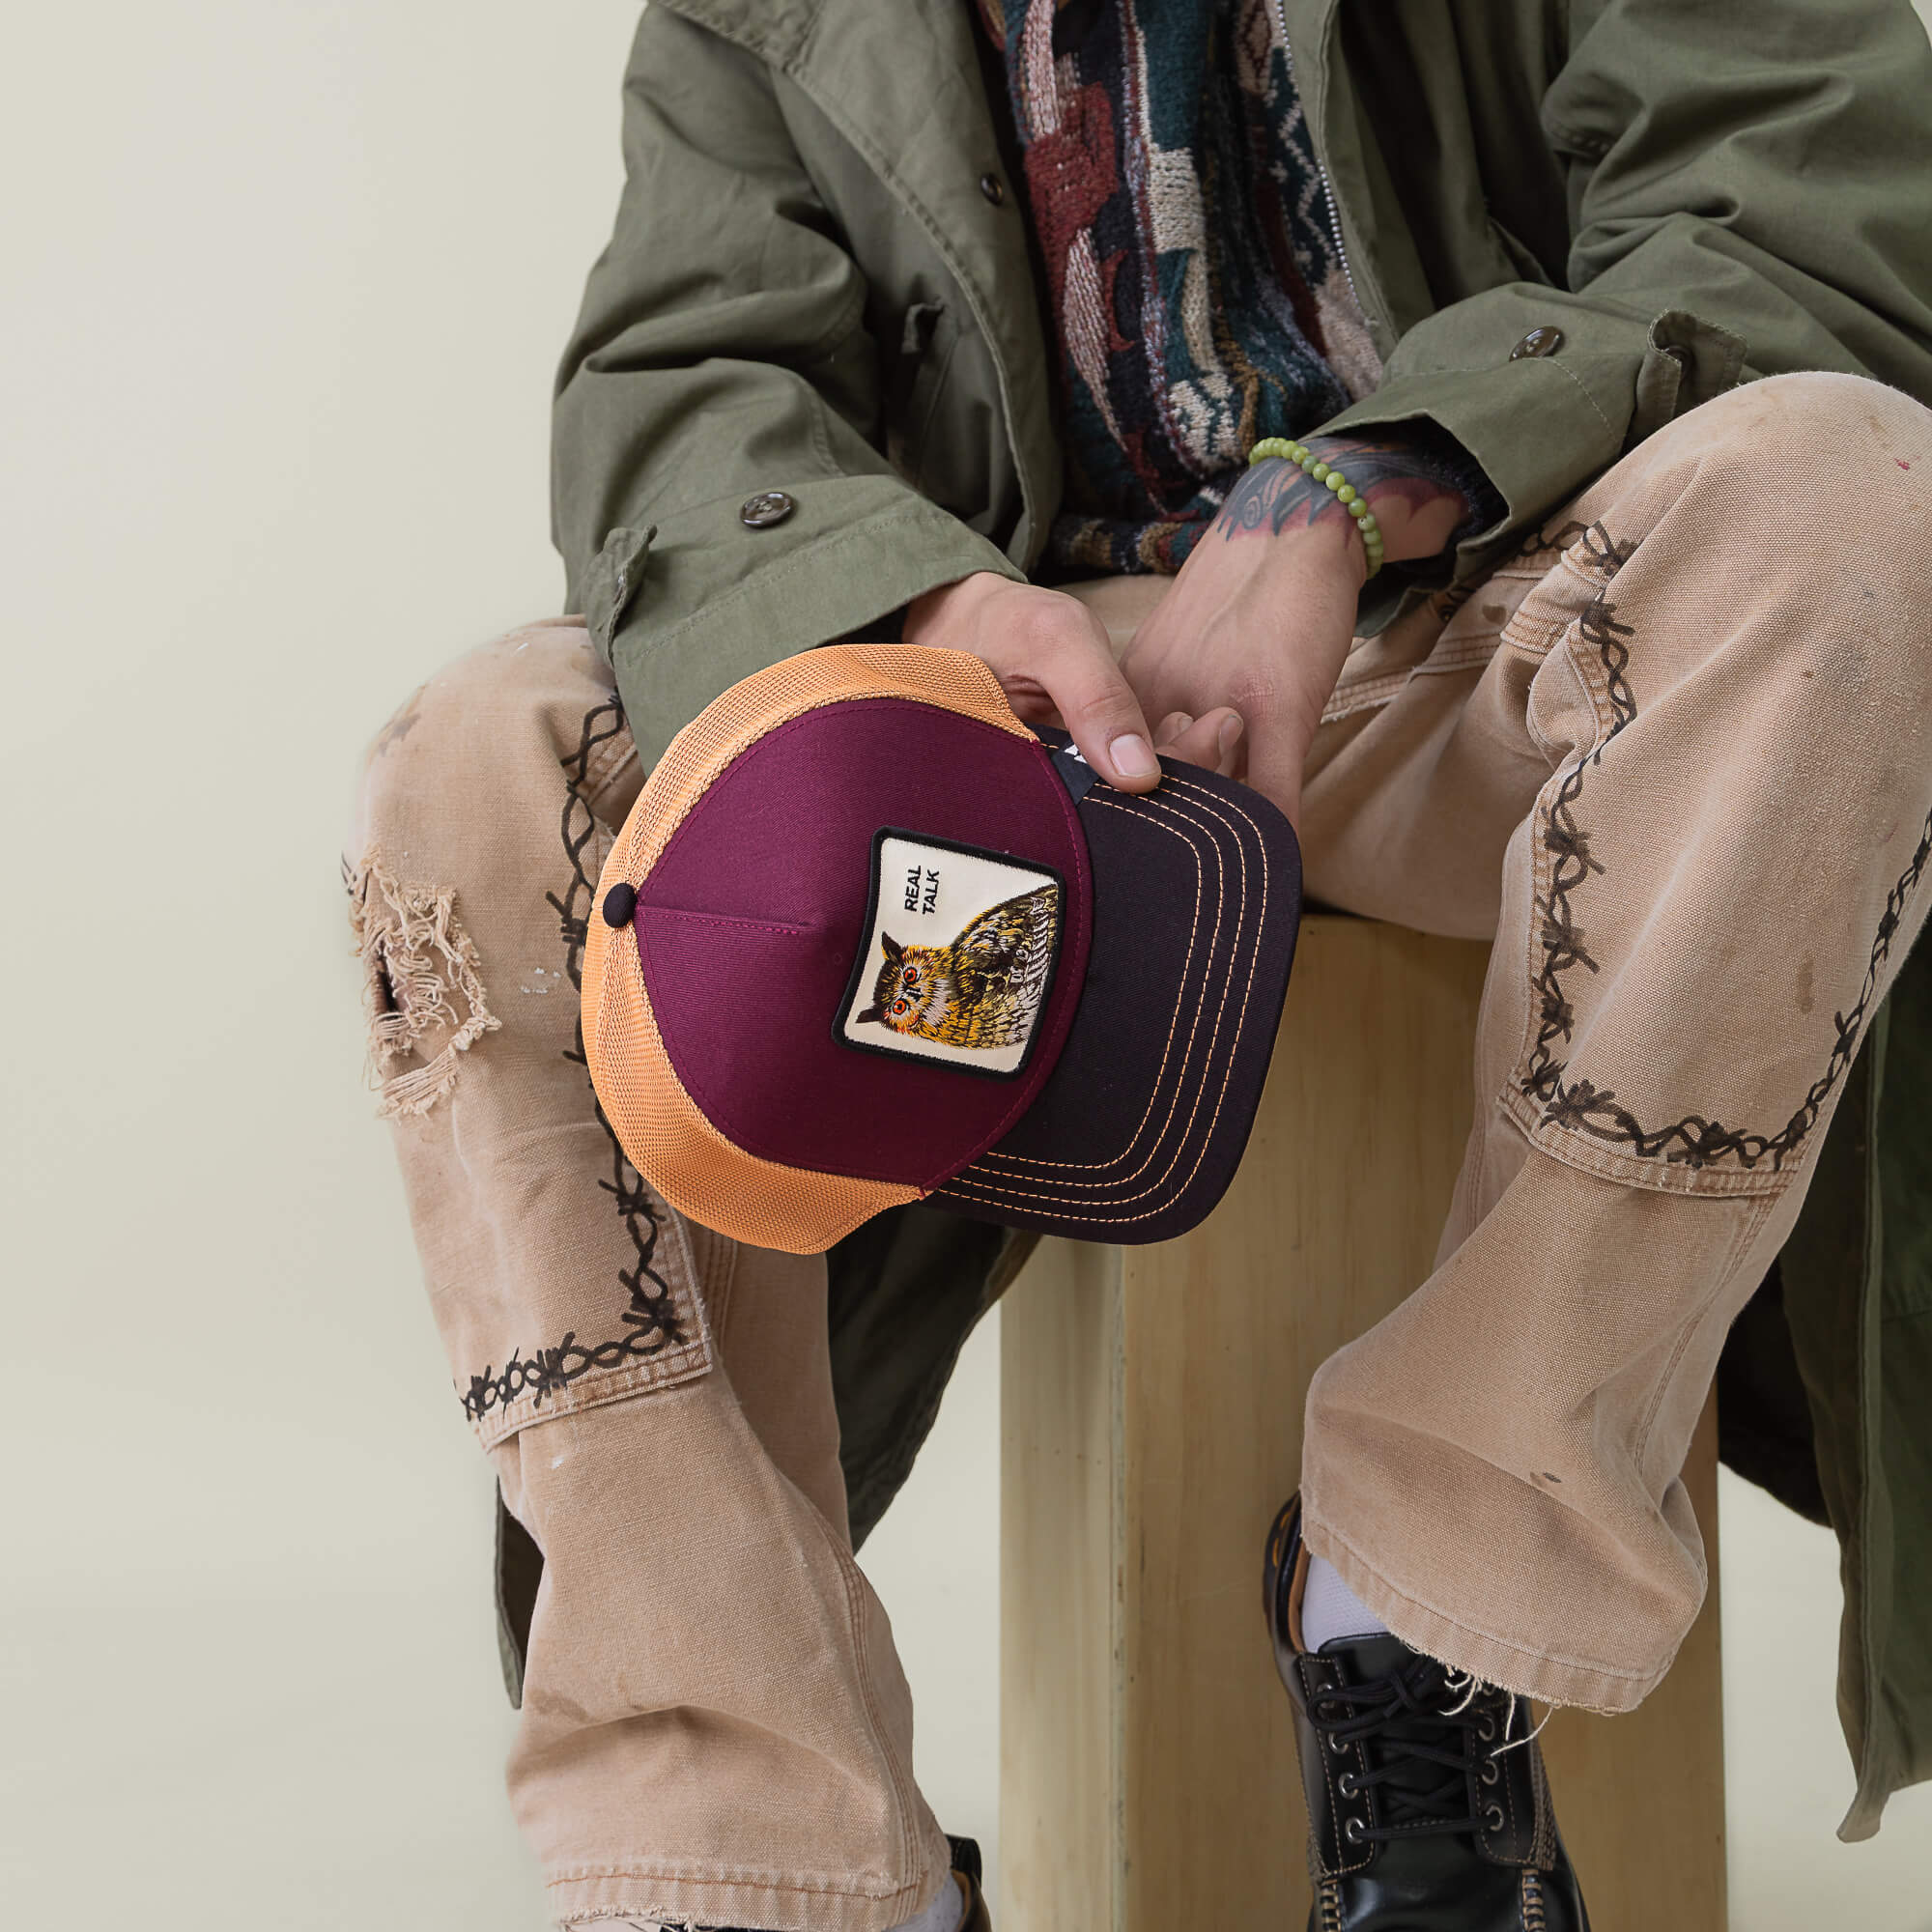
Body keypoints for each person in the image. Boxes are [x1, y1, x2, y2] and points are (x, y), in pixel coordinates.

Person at [347, 1, 1932, 1925]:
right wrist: (923, 604)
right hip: (988, 702)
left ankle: (1422, 1612)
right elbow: (683, 374)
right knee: (479, 763)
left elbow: (1807, 216)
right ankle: (768, 1846)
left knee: (1862, 495)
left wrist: (1347, 496)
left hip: (1488, 610)